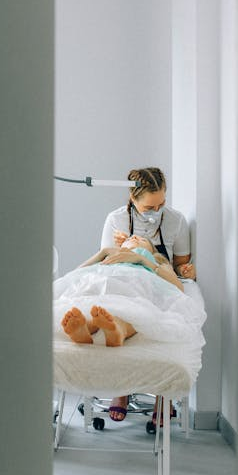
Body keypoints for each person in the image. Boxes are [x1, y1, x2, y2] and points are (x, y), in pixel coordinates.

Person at [100, 167, 195, 420]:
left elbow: (178, 268)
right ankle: (121, 389)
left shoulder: (176, 221)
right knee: (122, 307)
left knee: (162, 316)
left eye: (161, 204)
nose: (157, 212)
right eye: (149, 208)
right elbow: (105, 265)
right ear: (133, 198)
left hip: (159, 279)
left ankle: (163, 398)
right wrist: (123, 249)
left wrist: (185, 269)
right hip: (126, 280)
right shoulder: (116, 220)